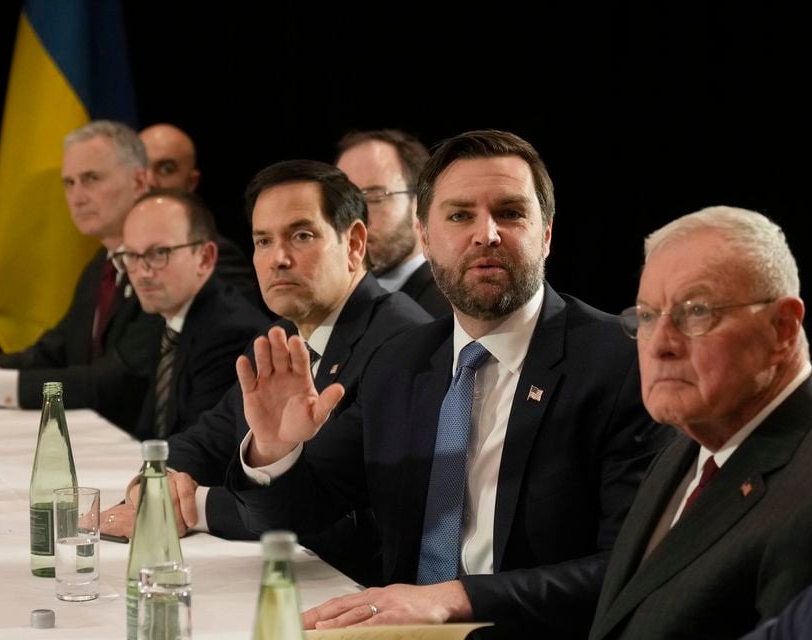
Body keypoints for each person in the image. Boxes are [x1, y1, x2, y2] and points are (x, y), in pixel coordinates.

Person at [230, 129, 670, 636]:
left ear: (546, 234)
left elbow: (628, 567)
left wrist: (456, 599)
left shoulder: (619, 362)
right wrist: (272, 449)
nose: (486, 233)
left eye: (510, 212)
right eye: (460, 215)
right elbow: (293, 515)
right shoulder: (400, 361)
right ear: (425, 236)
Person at [101, 160, 432, 585]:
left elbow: (321, 507)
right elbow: (206, 438)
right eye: (262, 240)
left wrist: (191, 507)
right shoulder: (278, 335)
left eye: (301, 236)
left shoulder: (401, 340)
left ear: (354, 243)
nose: (277, 259)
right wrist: (156, 481)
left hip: (356, 591)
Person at [589, 207, 812, 640]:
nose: (661, 346)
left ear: (783, 328)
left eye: (696, 312)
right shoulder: (682, 450)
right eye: (648, 316)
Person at [0, 121, 163, 427]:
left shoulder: (168, 261)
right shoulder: (100, 264)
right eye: (69, 183)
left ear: (140, 180)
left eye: (91, 179)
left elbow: (117, 378)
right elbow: (55, 350)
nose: (77, 197)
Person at [116, 188, 269, 440]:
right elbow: (150, 430)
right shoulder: (166, 317)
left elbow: (199, 444)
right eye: (131, 255)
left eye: (159, 253)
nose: (141, 272)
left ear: (205, 258)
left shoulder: (230, 333)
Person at [336, 129, 450, 317]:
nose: (355, 218)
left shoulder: (452, 308)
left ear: (421, 203)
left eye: (375, 197)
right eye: (345, 201)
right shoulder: (338, 308)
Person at [139, 123, 258, 303]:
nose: (150, 181)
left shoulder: (221, 256)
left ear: (191, 182)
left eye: (165, 169)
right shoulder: (108, 262)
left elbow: (238, 328)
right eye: (141, 169)